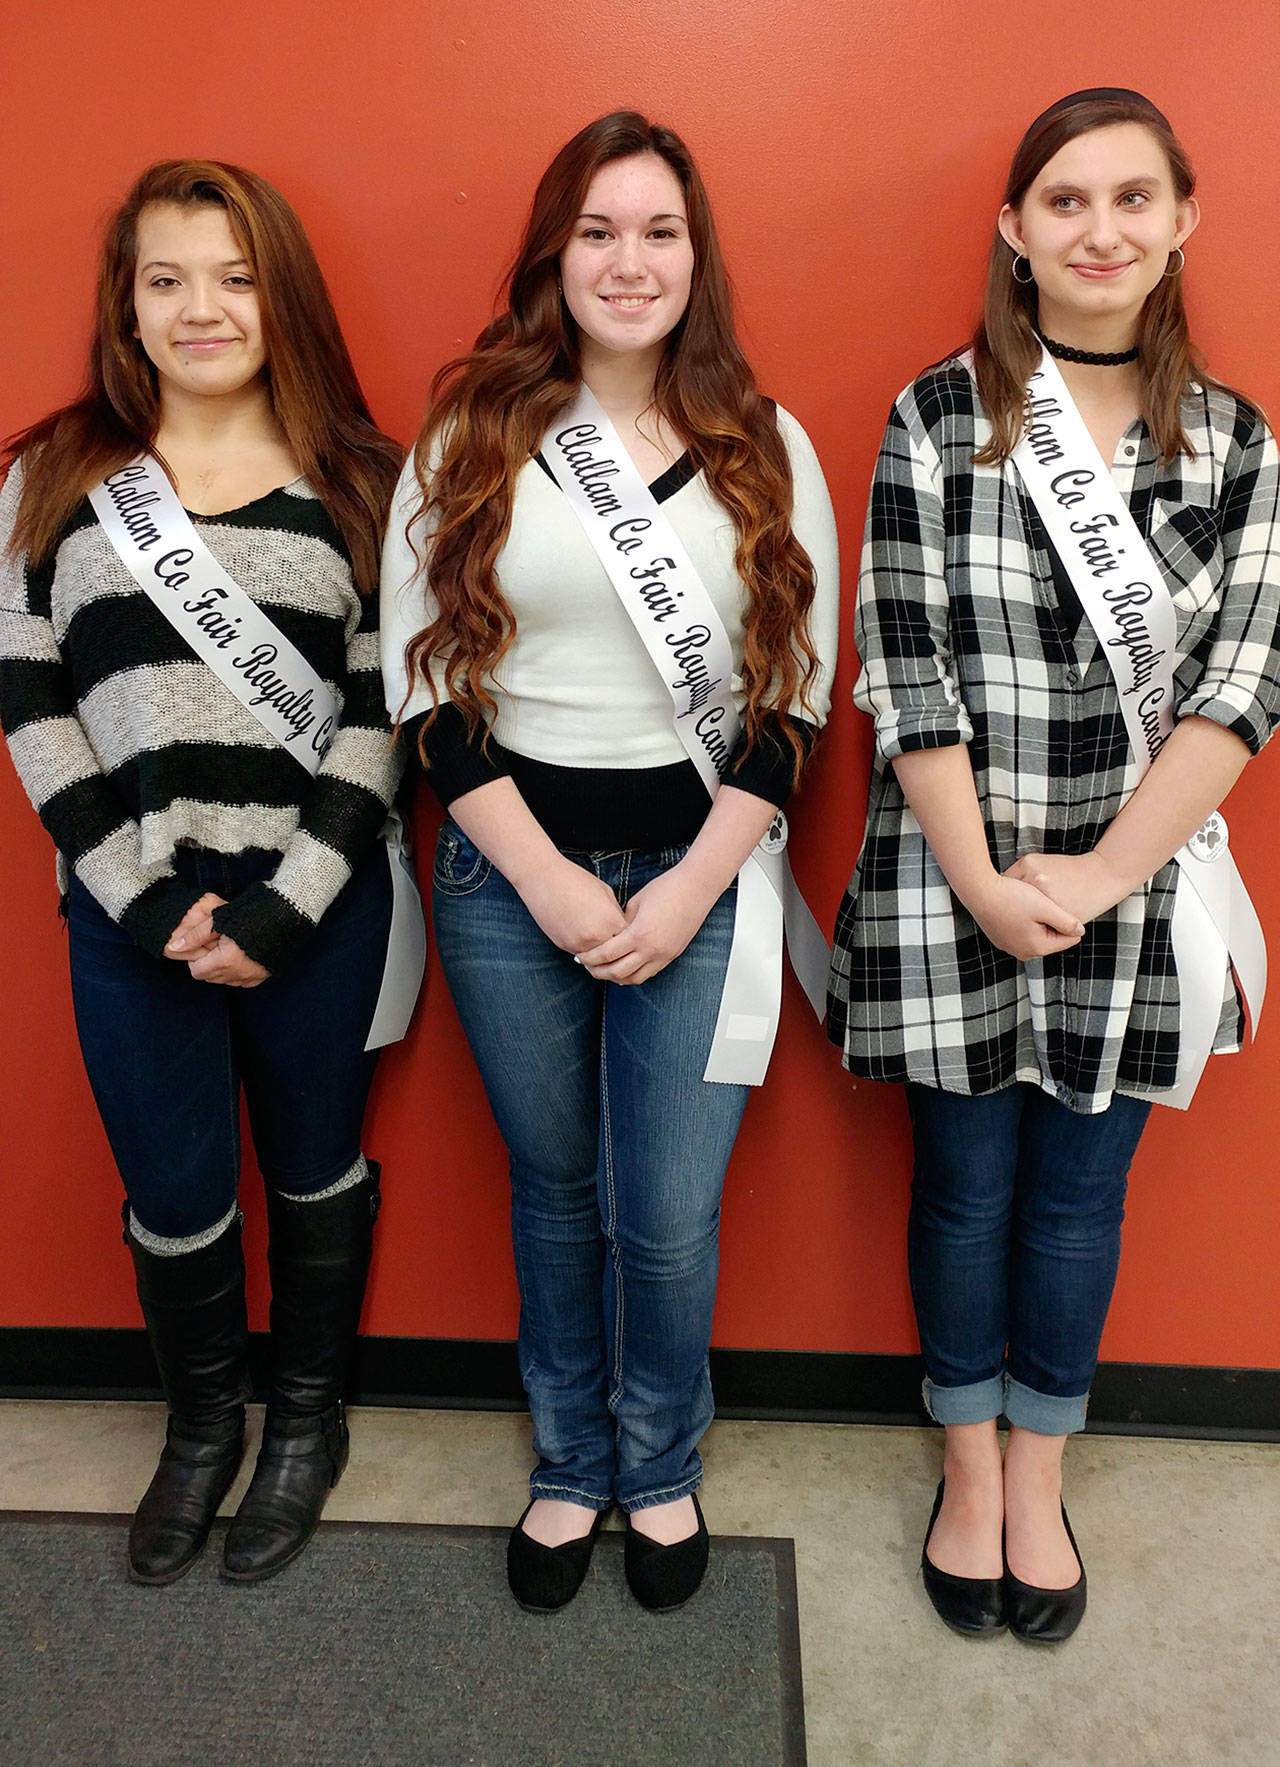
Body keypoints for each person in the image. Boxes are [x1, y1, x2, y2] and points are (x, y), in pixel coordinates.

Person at [829, 87, 1280, 1643]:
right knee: (963, 1196)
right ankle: (968, 1468)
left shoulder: (1235, 442)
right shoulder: (938, 415)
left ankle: (1041, 1469)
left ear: (1182, 222)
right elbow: (904, 663)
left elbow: (1241, 688)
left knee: (1082, 1202)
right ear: (1013, 230)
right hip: (948, 873)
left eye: (1133, 199)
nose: (1101, 230)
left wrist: (1093, 880)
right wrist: (983, 878)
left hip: (1135, 891)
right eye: (1067, 201)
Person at [382, 111, 838, 1612]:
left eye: (658, 231)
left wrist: (689, 890)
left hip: (704, 880)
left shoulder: (765, 445)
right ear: (552, 255)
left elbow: (794, 702)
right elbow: (421, 690)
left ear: (696, 258)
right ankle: (571, 1460)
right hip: (510, 885)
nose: (628, 262)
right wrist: (551, 881)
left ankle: (661, 1462)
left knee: (670, 1216)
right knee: (557, 1190)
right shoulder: (470, 436)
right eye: (596, 231)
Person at [0, 161, 406, 1585]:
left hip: (321, 911)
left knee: (313, 1166)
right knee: (173, 1190)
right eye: (165, 279)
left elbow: (383, 712)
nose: (201, 308)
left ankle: (304, 1421)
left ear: (281, 294)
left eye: (235, 277)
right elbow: (29, 702)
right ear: (126, 305)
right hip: (132, 921)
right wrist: (151, 901)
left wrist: (290, 903)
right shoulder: (49, 477)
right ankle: (200, 1427)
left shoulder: (365, 481)